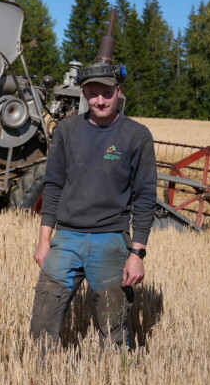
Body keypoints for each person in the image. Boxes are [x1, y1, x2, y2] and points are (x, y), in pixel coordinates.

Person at [29, 68, 156, 350]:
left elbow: (145, 197)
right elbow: (53, 187)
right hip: (67, 240)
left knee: (113, 330)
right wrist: (44, 241)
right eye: (92, 93)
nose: (100, 100)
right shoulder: (66, 130)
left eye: (107, 93)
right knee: (42, 323)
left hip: (111, 242)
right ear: (84, 94)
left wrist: (137, 253)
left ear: (119, 91)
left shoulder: (137, 136)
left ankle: (114, 376)